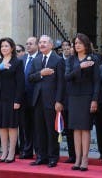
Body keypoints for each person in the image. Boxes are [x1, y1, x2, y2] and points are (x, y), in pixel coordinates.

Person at [29, 35, 65, 168]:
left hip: (52, 101)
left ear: (51, 45)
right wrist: (41, 74)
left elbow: (62, 82)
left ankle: (52, 157)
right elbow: (30, 78)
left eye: (45, 42)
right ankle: (41, 156)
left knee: (52, 131)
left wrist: (59, 101)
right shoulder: (37, 59)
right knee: (39, 130)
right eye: (40, 42)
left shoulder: (58, 60)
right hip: (38, 100)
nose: (42, 44)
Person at [65, 33, 100, 171]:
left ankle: (85, 158)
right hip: (73, 97)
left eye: (80, 43)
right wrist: (80, 67)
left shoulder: (94, 59)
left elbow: (97, 81)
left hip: (87, 96)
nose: (77, 45)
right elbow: (67, 77)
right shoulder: (71, 60)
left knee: (85, 128)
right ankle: (78, 158)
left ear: (86, 44)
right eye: (75, 43)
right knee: (75, 128)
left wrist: (95, 99)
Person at [0, 37, 24, 163]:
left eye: (6, 46)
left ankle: (12, 152)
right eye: (2, 46)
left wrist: (18, 100)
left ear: (12, 48)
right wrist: (0, 67)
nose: (4, 48)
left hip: (12, 98)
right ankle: (4, 151)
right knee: (1, 126)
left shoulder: (17, 62)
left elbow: (20, 83)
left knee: (12, 126)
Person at [19, 36, 39, 159]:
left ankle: (38, 151)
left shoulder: (40, 58)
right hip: (23, 97)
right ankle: (27, 150)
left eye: (31, 43)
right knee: (25, 125)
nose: (28, 46)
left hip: (36, 97)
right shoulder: (23, 59)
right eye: (26, 44)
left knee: (37, 126)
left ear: (36, 45)